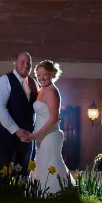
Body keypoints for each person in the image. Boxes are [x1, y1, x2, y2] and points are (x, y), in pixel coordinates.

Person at [24, 59, 74, 194]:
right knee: (41, 166)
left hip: (49, 135)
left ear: (52, 74)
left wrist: (34, 135)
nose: (41, 78)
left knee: (51, 166)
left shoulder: (52, 91)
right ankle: (41, 194)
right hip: (41, 136)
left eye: (45, 75)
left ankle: (55, 195)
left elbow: (53, 118)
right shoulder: (41, 90)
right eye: (38, 75)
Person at [0, 52, 38, 172]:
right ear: (15, 64)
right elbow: (0, 109)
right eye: (22, 62)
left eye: (29, 63)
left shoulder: (33, 83)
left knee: (24, 175)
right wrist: (17, 130)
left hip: (27, 138)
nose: (26, 65)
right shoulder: (4, 81)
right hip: (7, 137)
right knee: (5, 177)